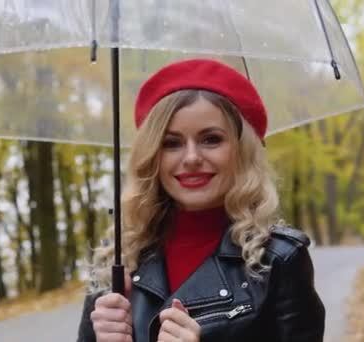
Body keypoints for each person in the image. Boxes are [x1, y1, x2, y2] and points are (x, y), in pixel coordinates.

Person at [76, 59, 325, 342]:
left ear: (241, 152)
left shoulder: (278, 260)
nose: (192, 158)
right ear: (152, 157)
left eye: (211, 139)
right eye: (172, 143)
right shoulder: (118, 257)